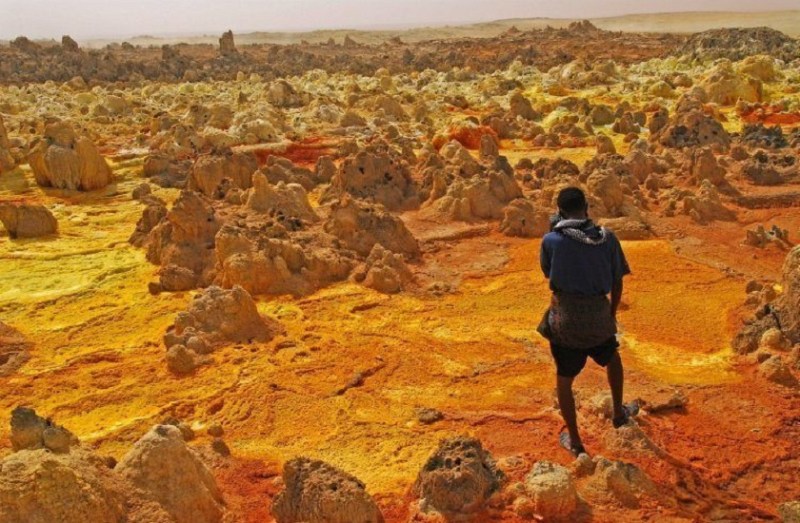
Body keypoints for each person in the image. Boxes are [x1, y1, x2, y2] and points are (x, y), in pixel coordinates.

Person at [538, 187, 637, 457]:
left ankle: (575, 441)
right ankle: (618, 414)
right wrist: (611, 314)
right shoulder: (608, 238)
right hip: (599, 316)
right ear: (587, 208)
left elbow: (548, 272)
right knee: (612, 357)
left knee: (564, 379)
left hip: (565, 321)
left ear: (560, 211)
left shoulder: (551, 240)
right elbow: (617, 281)